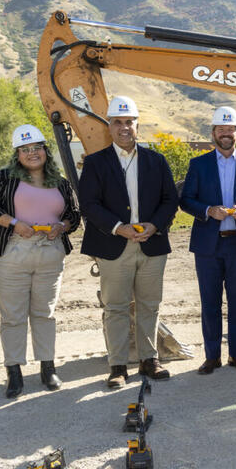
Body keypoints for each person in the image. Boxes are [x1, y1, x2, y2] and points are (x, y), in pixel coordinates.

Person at [78, 95, 178, 387]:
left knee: (149, 304)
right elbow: (89, 204)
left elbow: (170, 199)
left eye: (129, 122)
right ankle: (118, 366)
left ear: (137, 125)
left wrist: (155, 224)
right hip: (114, 246)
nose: (124, 128)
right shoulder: (95, 164)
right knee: (116, 308)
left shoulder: (156, 161)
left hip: (151, 243)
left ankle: (149, 360)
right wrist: (118, 227)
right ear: (109, 126)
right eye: (118, 122)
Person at [0, 124, 80, 398]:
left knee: (45, 313)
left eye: (36, 148)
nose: (32, 153)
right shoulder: (2, 179)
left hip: (50, 250)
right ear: (17, 154)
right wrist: (13, 223)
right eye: (25, 149)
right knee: (13, 315)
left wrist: (63, 225)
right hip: (12, 252)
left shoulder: (60, 182)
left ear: (45, 150)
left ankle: (48, 368)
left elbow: (75, 215)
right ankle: (14, 372)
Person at [180, 105, 236, 375]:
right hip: (209, 244)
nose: (226, 133)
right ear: (213, 133)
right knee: (210, 302)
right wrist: (208, 211)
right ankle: (212, 357)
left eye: (231, 129)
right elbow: (186, 200)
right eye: (221, 129)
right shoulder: (199, 164)